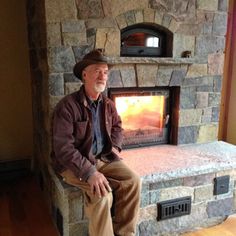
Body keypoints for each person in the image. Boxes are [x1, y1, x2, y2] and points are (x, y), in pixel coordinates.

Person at [52, 49, 141, 236]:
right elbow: (63, 148)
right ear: (84, 75)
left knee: (133, 181)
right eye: (97, 71)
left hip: (103, 158)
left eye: (106, 72)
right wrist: (89, 172)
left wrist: (115, 147)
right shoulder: (67, 106)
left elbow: (117, 126)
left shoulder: (107, 104)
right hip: (72, 164)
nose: (103, 76)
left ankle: (125, 233)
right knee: (102, 196)